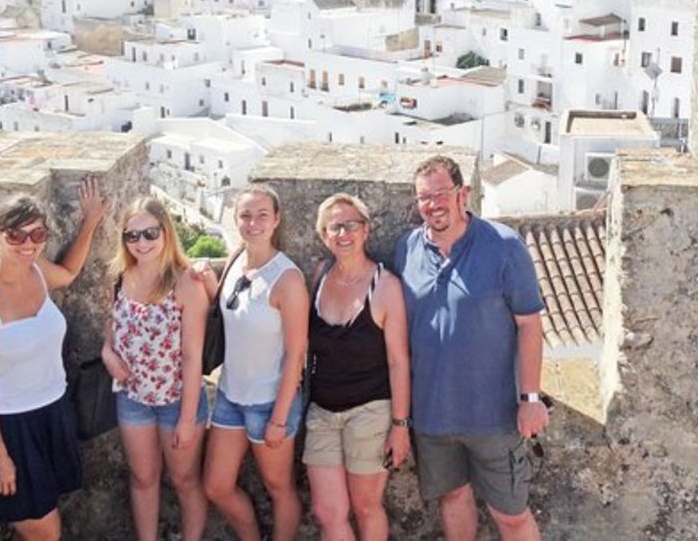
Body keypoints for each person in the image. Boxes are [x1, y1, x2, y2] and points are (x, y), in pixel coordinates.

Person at [392, 155, 549, 541]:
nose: (433, 204)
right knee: (453, 499)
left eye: (442, 193)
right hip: (431, 414)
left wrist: (530, 397)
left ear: (463, 193)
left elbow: (530, 324)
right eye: (424, 197)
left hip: (494, 415)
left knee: (511, 515)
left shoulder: (503, 246)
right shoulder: (406, 249)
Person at [0, 177, 106, 540]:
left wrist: (91, 221)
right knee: (46, 531)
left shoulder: (37, 272)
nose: (28, 244)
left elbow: (67, 274)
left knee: (44, 522)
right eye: (16, 236)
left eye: (37, 235)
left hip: (50, 414)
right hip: (10, 428)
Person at [200, 184, 307, 541]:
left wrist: (279, 417)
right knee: (215, 486)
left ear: (276, 220)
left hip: (269, 401)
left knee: (280, 489)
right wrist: (208, 281)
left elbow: (296, 353)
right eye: (245, 215)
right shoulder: (235, 262)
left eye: (263, 215)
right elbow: (235, 312)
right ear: (235, 219)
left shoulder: (287, 279)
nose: (253, 223)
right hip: (231, 394)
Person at [101, 197, 209, 541]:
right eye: (132, 236)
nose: (141, 243)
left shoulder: (185, 283)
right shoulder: (119, 277)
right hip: (133, 398)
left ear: (166, 233)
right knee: (142, 479)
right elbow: (111, 330)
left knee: (184, 481)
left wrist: (188, 419)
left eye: (150, 233)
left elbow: (194, 357)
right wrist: (107, 354)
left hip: (178, 400)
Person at [304, 193, 411, 541]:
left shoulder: (386, 287)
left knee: (366, 506)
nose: (343, 233)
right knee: (327, 511)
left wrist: (400, 425)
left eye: (351, 225)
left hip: (371, 412)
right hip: (322, 411)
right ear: (323, 235)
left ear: (367, 230)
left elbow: (398, 361)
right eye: (333, 227)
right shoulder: (320, 275)